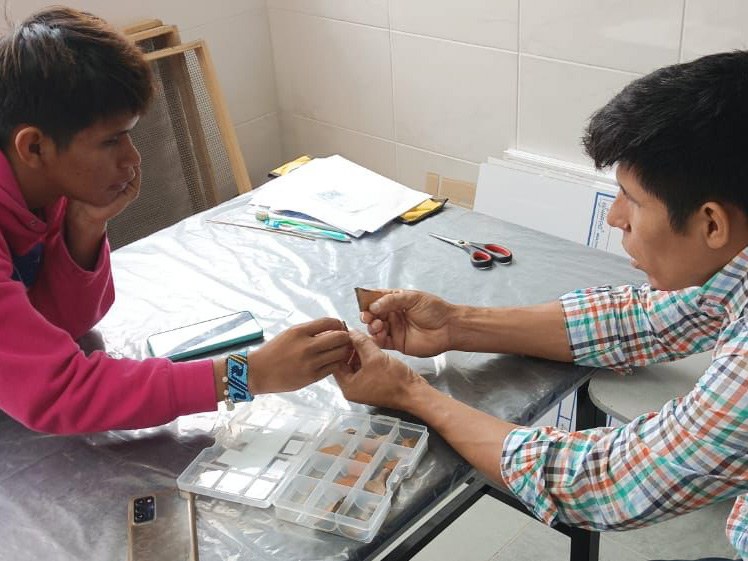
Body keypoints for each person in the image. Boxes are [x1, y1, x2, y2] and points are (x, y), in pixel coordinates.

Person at [334, 50, 748, 561]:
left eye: (633, 201)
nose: (615, 218)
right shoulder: (735, 266)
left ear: (712, 224)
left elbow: (603, 482)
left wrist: (410, 392)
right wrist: (455, 325)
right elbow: (638, 321)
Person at [0, 7, 351, 434]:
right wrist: (249, 373)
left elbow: (64, 324)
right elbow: (58, 392)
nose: (132, 158)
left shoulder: (43, 187)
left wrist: (85, 228)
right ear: (34, 147)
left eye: (130, 134)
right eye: (111, 140)